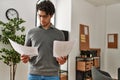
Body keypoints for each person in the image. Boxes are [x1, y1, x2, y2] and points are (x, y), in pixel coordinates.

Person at [21, 0, 67, 80]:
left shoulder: (60, 34)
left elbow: (62, 57)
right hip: (34, 74)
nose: (41, 19)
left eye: (45, 16)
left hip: (52, 75)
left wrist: (63, 60)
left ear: (51, 15)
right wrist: (24, 58)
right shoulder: (31, 32)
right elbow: (26, 53)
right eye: (39, 16)